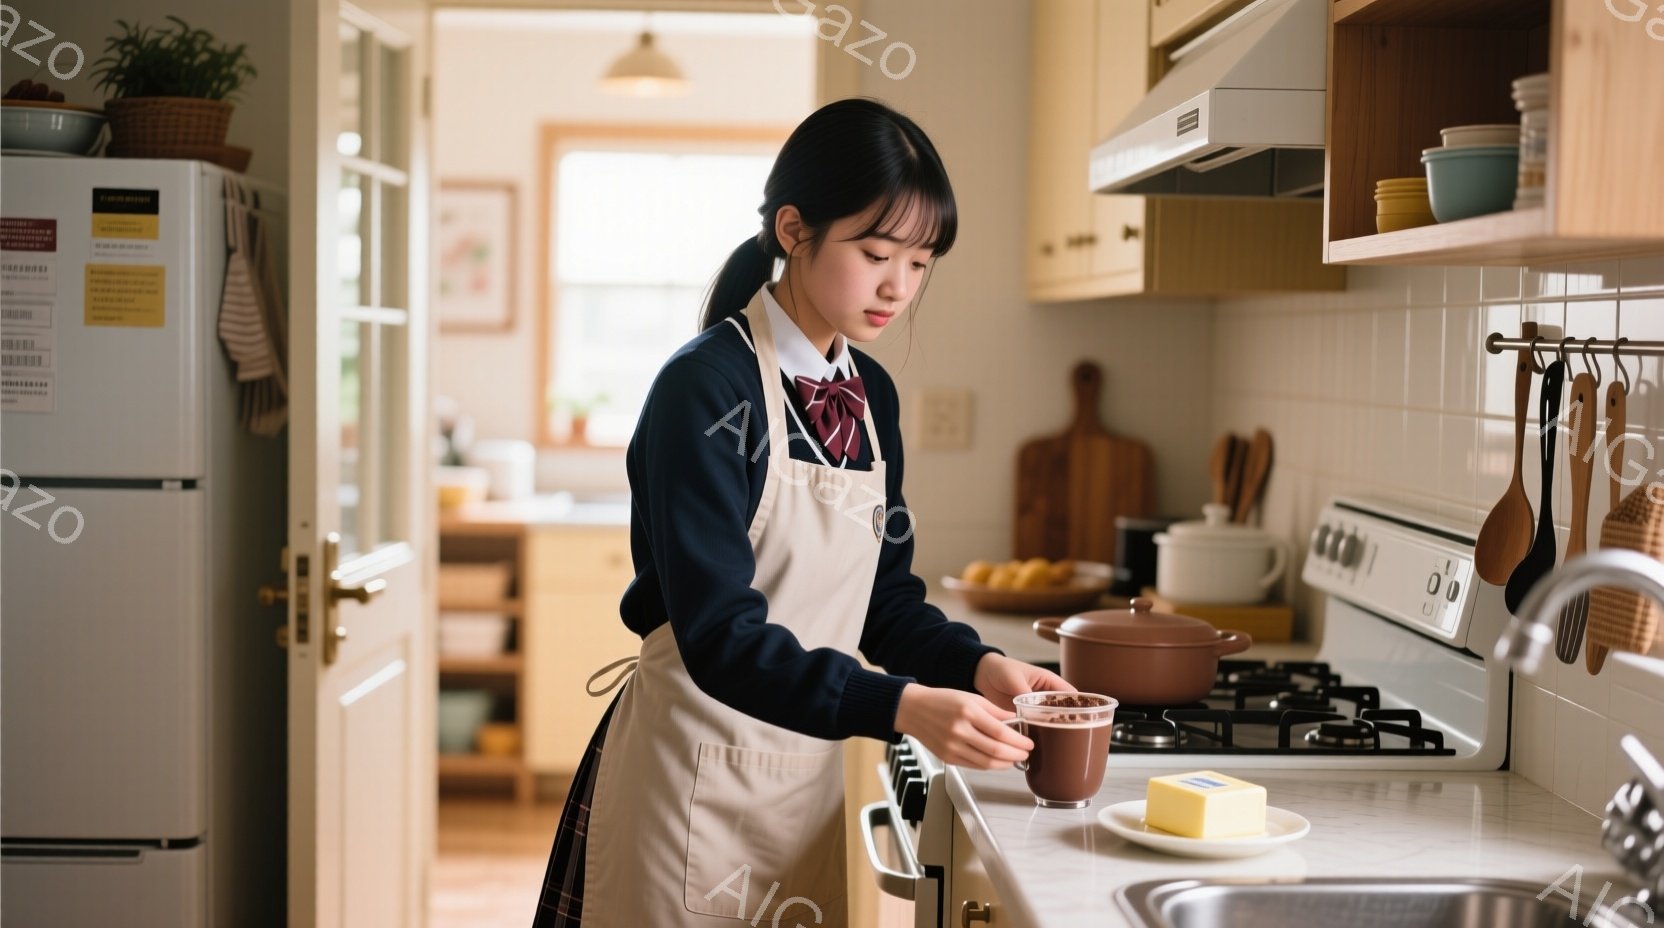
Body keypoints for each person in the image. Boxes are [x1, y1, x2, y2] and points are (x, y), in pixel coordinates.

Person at [531, 97, 1070, 928]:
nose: (900, 285)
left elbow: (884, 601)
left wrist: (977, 665)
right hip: (690, 784)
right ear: (793, 229)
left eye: (922, 262)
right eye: (876, 251)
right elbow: (719, 636)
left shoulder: (869, 395)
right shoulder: (706, 390)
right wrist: (898, 704)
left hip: (801, 779)